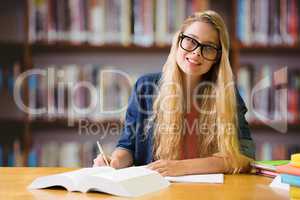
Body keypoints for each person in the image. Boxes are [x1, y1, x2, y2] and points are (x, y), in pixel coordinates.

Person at [93, 10, 255, 176]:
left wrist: (180, 167)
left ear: (218, 57)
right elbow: (128, 146)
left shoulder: (227, 93)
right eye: (191, 41)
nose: (197, 52)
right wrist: (115, 161)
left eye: (208, 48)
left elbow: (245, 157)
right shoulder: (146, 87)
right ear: (178, 41)